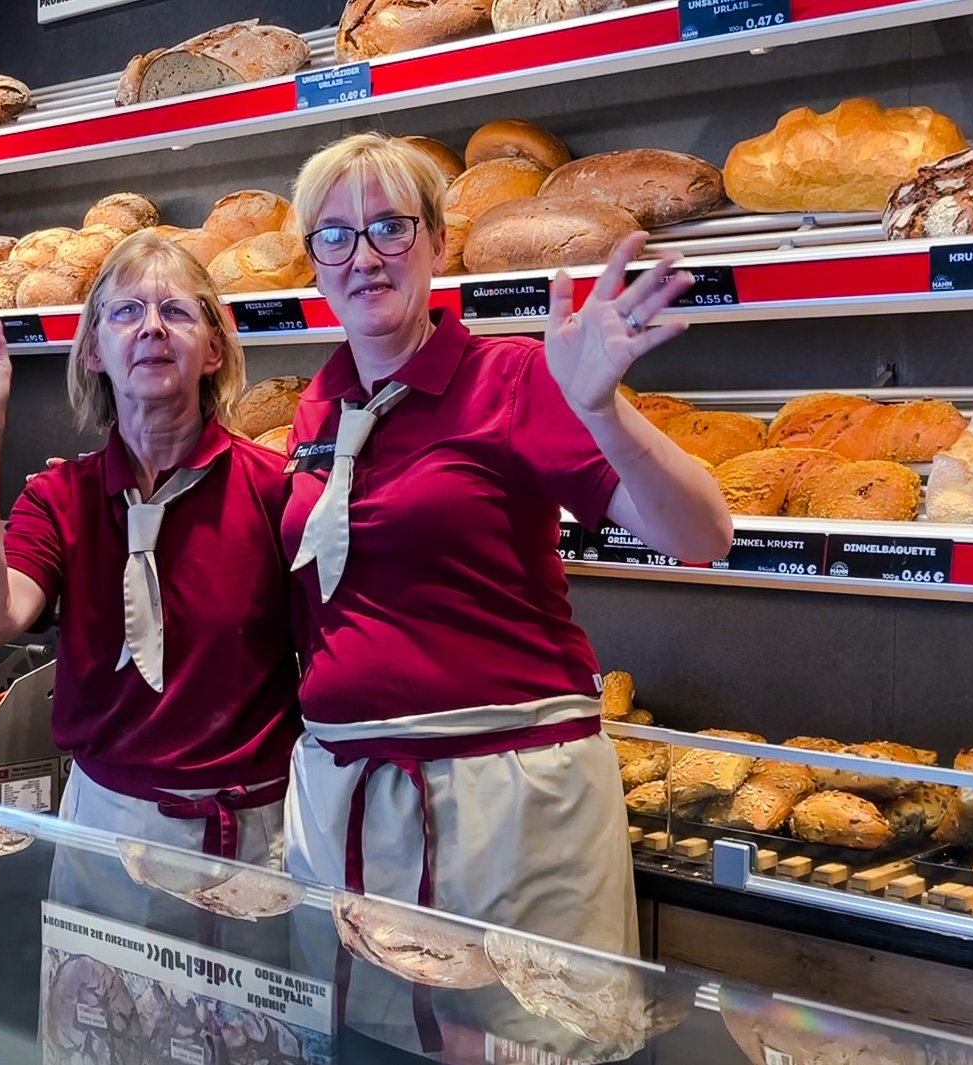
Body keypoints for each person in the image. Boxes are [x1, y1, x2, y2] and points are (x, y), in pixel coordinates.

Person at [278, 133, 732, 974]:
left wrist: (602, 409)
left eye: (390, 227)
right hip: (350, 796)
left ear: (438, 244)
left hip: (505, 793)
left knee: (523, 1037)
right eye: (333, 236)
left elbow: (701, 534)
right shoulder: (320, 403)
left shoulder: (511, 377)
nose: (363, 257)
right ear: (312, 261)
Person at [0, 230, 300, 867]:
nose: (151, 328)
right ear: (95, 350)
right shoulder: (61, 497)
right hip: (102, 824)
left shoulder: (276, 490)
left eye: (176, 311)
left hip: (251, 833)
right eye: (126, 312)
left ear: (213, 351)